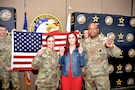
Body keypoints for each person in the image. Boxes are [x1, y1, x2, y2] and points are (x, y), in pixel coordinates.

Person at [82, 23, 121, 90]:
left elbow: (117, 54)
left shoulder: (105, 40)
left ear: (98, 30)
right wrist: (83, 70)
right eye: (90, 29)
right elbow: (83, 58)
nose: (92, 31)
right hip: (89, 76)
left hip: (101, 76)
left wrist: (111, 47)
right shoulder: (85, 42)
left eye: (94, 28)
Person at [0, 24, 20, 90]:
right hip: (3, 68)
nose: (3, 32)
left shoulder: (9, 38)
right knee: (5, 86)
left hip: (13, 66)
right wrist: (5, 66)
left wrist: (15, 33)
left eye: (4, 30)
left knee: (16, 85)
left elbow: (18, 41)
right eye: (1, 30)